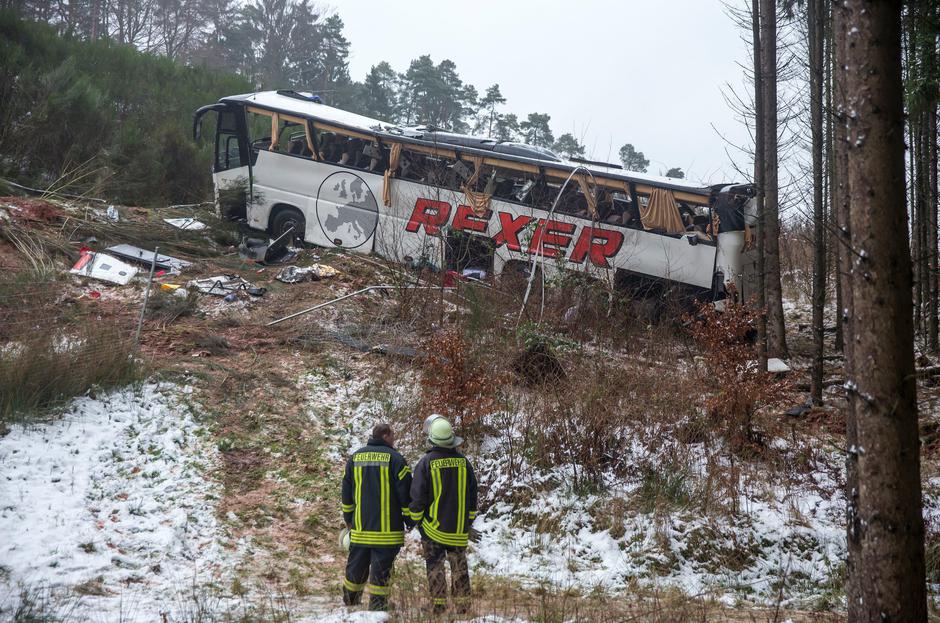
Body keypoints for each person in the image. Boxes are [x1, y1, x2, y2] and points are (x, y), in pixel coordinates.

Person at [410, 416, 478, 615]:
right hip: (458, 529)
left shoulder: (426, 463)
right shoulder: (464, 463)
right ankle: (463, 606)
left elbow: (417, 497)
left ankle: (438, 606)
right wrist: (467, 522)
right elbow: (473, 495)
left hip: (433, 529)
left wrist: (417, 521)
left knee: (435, 566)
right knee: (459, 566)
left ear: (431, 439)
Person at [341, 423, 413, 611]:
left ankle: (350, 603)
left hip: (360, 530)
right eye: (393, 435)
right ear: (385, 435)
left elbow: (346, 493)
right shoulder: (396, 459)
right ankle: (377, 608)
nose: (394, 439)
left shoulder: (355, 458)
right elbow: (405, 495)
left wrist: (348, 518)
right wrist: (410, 520)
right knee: (381, 573)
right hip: (387, 534)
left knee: (356, 568)